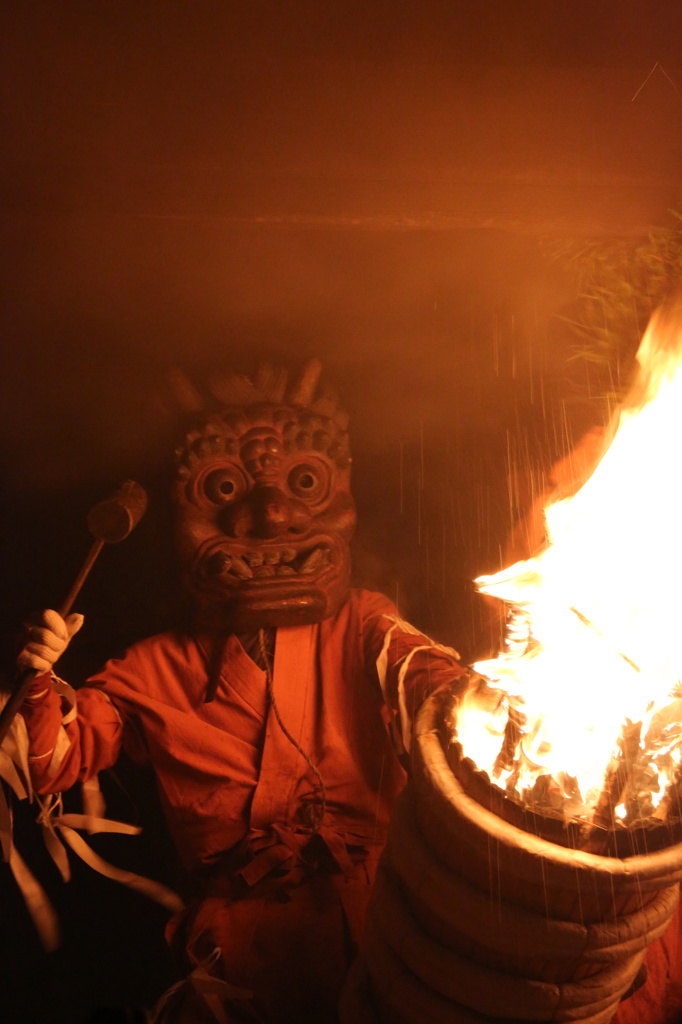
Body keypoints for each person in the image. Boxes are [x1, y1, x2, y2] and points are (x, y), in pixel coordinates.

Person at [16, 359, 467, 1024]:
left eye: (305, 482)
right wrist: (39, 683)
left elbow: (427, 681)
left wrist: (476, 708)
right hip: (245, 965)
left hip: (392, 932)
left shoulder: (364, 623)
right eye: (221, 488)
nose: (272, 515)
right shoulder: (153, 668)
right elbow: (47, 761)